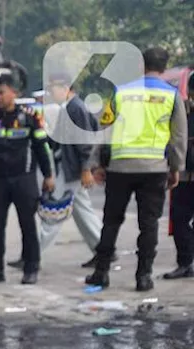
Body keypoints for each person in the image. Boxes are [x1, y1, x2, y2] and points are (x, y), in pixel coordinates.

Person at [87, 47, 189, 292]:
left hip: (120, 167)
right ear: (164, 68)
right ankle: (143, 277)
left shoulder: (121, 92)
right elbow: (178, 137)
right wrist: (176, 168)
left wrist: (96, 163)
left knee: (111, 221)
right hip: (154, 168)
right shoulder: (172, 95)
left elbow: (105, 128)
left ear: (141, 65)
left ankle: (101, 273)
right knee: (149, 224)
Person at [0, 74, 56, 285]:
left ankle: (31, 268)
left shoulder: (30, 116)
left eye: (1, 93)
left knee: (28, 226)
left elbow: (41, 147)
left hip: (24, 179)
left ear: (14, 93)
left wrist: (48, 175)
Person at [18, 76, 103, 269]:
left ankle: (32, 254)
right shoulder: (70, 108)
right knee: (83, 213)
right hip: (70, 167)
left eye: (52, 89)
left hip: (73, 169)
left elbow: (85, 142)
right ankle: (103, 250)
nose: (50, 94)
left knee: (53, 213)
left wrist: (86, 169)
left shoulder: (75, 108)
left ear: (65, 87)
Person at [163, 73, 194, 280]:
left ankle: (185, 263)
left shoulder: (183, 109)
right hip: (183, 174)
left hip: (183, 175)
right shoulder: (183, 109)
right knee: (180, 219)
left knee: (180, 218)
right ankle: (185, 262)